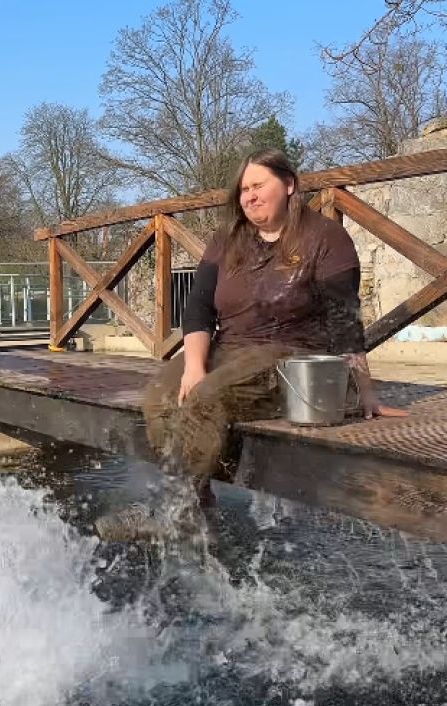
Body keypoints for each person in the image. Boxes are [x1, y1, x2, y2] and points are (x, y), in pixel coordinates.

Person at [95, 148, 408, 540]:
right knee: (160, 396)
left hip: (294, 356)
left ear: (289, 184)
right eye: (244, 190)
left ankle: (172, 510)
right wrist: (193, 364)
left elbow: (345, 321)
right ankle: (197, 501)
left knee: (206, 396)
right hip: (231, 346)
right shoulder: (227, 239)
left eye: (259, 185)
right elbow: (198, 309)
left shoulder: (326, 237)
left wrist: (366, 394)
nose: (249, 196)